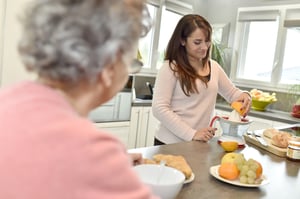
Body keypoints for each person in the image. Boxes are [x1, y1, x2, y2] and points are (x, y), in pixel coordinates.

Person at [0, 0, 159, 198]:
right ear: (109, 65)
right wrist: (106, 168)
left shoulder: (7, 99)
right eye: (130, 62)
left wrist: (107, 168)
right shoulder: (92, 152)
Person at [152, 14, 252, 145]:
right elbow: (159, 109)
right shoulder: (170, 68)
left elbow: (232, 94)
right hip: (170, 143)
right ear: (182, 41)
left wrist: (245, 96)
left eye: (207, 41)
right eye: (197, 42)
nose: (204, 47)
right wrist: (192, 134)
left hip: (199, 142)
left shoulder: (214, 67)